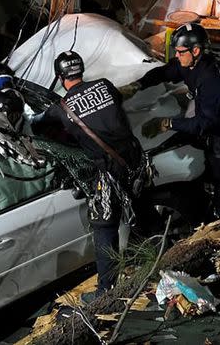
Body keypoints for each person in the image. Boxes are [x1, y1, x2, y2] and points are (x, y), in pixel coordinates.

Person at [36, 50, 143, 300]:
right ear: (81, 70)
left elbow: (37, 124)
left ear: (60, 77)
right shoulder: (105, 85)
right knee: (140, 208)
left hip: (107, 173)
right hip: (134, 161)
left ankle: (107, 291)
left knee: (104, 227)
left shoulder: (61, 109)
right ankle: (154, 256)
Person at [119, 23, 220, 228]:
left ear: (195, 51)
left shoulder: (210, 80)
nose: (177, 56)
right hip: (209, 133)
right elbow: (166, 72)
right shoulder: (189, 64)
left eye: (180, 52)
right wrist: (138, 85)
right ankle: (208, 212)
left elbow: (203, 123)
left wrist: (167, 123)